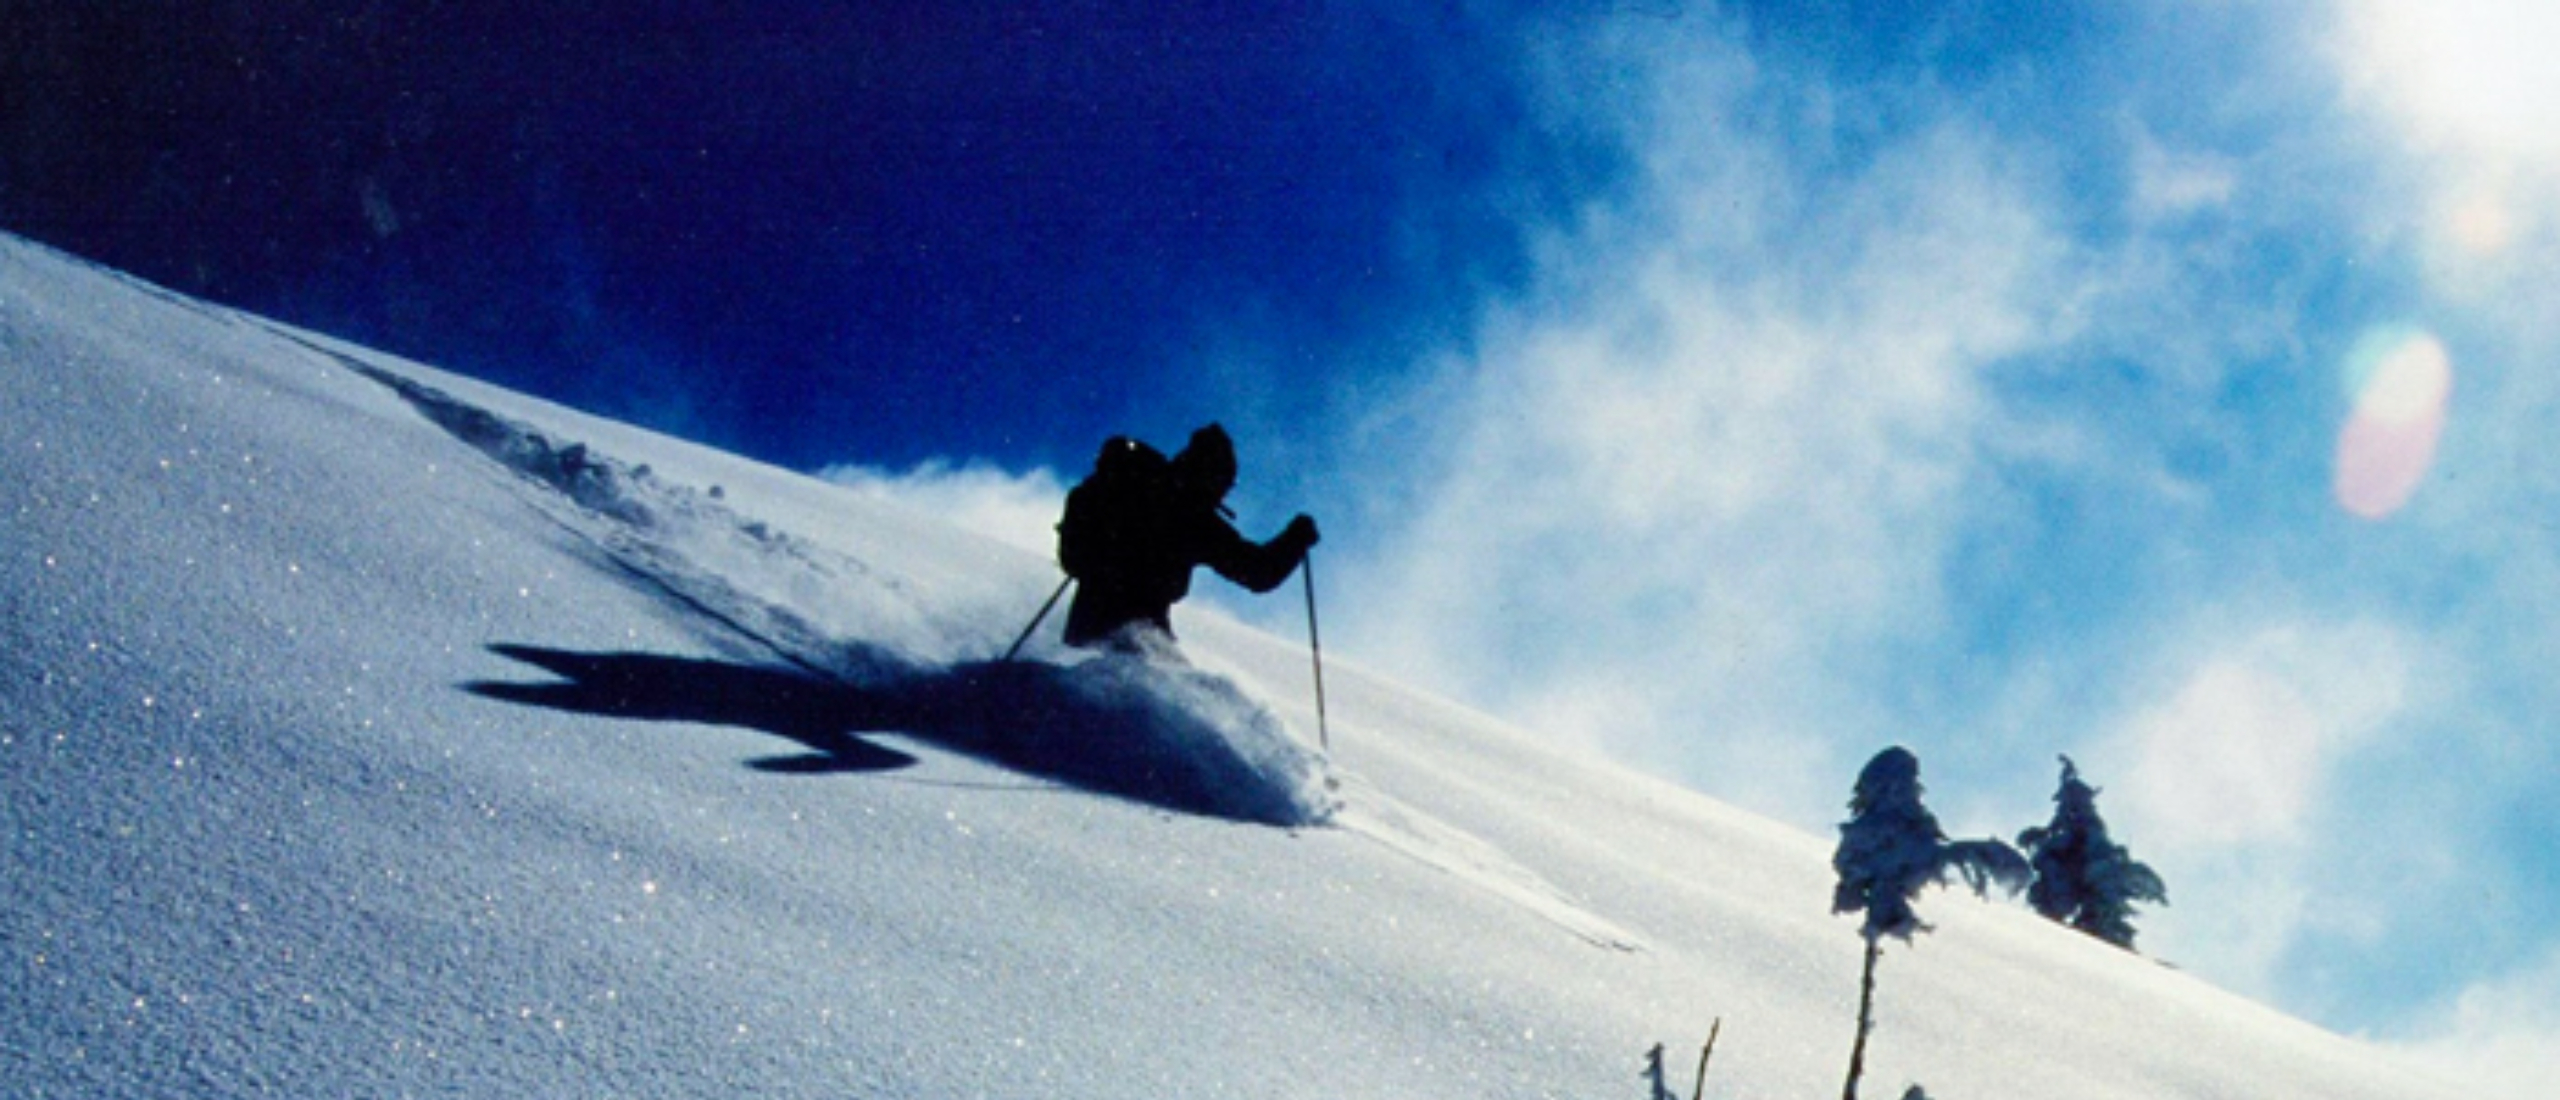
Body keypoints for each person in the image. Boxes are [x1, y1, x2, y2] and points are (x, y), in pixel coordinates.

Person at [1054, 423, 1318, 649]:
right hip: (1137, 631)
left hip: (1089, 620)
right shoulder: (1194, 520)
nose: (1224, 493)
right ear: (1210, 475)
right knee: (1155, 694)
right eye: (1225, 482)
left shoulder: (1137, 486)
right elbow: (1258, 572)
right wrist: (1296, 540)